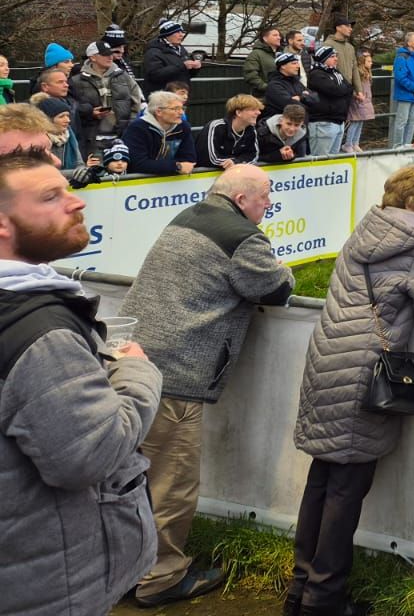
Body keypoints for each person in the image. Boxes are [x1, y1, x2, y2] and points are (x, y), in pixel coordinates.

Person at [120, 165, 294, 607]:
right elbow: (273, 287)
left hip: (136, 362)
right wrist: (284, 269)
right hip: (177, 374)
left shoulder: (190, 215)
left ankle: (125, 568)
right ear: (241, 200)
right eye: (265, 196)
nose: (269, 204)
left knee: (132, 478)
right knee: (169, 484)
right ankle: (159, 578)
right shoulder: (243, 237)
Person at [0, 150, 162, 615]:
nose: (76, 203)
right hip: (50, 585)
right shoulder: (39, 332)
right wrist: (136, 370)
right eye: (51, 196)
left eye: (68, 189)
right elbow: (89, 455)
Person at [289, 165, 414, 616]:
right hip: (366, 368)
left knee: (321, 479)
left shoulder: (364, 229)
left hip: (327, 359)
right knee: (344, 489)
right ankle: (324, 598)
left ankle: (300, 589)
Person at [70, 40, 140, 149]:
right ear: (92, 57)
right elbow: (72, 107)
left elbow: (136, 101)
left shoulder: (124, 76)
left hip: (121, 137)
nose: (110, 57)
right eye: (105, 54)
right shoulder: (76, 81)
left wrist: (130, 125)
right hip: (91, 138)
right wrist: (90, 113)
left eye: (110, 53)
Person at [124, 91, 198, 177]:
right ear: (159, 112)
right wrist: (176, 166)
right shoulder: (137, 128)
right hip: (138, 183)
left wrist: (162, 166)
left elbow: (189, 159)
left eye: (182, 108)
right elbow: (138, 164)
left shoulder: (183, 127)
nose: (181, 112)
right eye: (175, 109)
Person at [303, 45, 352, 157]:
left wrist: (342, 90)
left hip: (339, 120)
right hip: (323, 122)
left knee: (334, 159)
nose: (336, 59)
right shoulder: (316, 74)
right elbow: (334, 90)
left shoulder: (336, 73)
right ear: (323, 58)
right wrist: (342, 90)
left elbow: (349, 87)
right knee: (320, 159)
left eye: (336, 56)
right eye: (332, 56)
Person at [197, 94, 263, 170]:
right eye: (253, 109)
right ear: (238, 112)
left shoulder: (251, 130)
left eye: (258, 109)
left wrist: (235, 162)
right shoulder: (216, 127)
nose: (259, 112)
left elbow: (253, 156)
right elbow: (209, 158)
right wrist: (234, 162)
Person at [142, 19, 203, 93]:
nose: (182, 35)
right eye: (177, 32)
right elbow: (155, 76)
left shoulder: (182, 50)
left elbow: (187, 75)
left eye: (182, 32)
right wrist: (182, 66)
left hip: (181, 94)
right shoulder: (154, 52)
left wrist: (195, 68)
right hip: (163, 96)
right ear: (167, 35)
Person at [390, 32, 414, 149]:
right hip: (405, 94)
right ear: (409, 43)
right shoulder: (402, 57)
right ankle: (397, 145)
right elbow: (401, 76)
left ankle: (407, 143)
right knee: (402, 120)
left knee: (412, 121)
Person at [342, 50, 375, 152]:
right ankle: (348, 143)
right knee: (355, 121)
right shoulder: (358, 74)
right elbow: (353, 86)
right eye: (369, 61)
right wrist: (356, 95)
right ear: (362, 62)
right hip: (357, 100)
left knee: (361, 121)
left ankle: (356, 142)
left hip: (365, 100)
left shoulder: (367, 74)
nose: (371, 63)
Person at [264, 51, 310, 119]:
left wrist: (300, 98)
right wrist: (305, 98)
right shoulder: (274, 85)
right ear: (283, 66)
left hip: (300, 124)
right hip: (283, 125)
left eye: (298, 63)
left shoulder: (297, 82)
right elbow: (292, 105)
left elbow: (315, 98)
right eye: (294, 63)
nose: (298, 66)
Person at [241, 27, 282, 97]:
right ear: (265, 38)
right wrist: (268, 88)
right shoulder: (255, 54)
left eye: (279, 35)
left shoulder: (281, 54)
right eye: (275, 35)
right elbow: (251, 76)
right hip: (264, 98)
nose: (279, 38)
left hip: (282, 95)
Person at [325, 16, 357, 80]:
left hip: (349, 88)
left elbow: (355, 69)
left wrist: (359, 89)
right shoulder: (328, 44)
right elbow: (325, 69)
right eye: (347, 26)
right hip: (335, 87)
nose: (350, 29)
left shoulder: (350, 47)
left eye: (351, 27)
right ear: (338, 28)